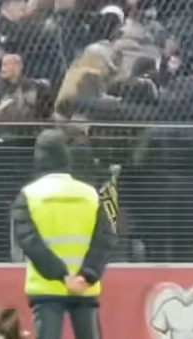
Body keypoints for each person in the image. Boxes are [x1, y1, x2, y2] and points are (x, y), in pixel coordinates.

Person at [10, 130, 115, 339]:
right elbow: (106, 238)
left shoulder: (29, 195)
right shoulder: (89, 194)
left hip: (47, 287)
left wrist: (61, 275)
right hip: (85, 287)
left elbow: (29, 242)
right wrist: (87, 275)